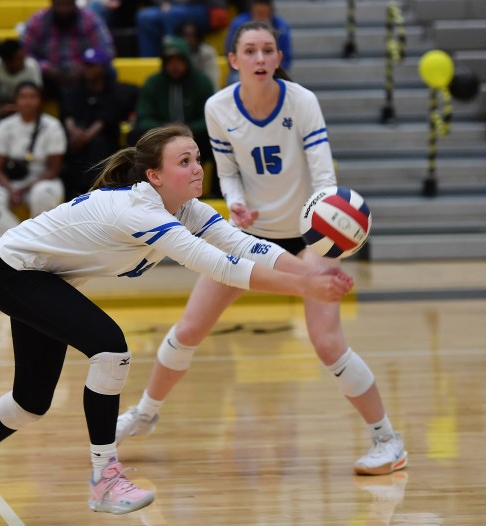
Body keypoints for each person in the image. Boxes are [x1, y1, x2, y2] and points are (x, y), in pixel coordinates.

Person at [0, 122, 354, 520]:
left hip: (41, 275)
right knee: (110, 348)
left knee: (31, 402)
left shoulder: (186, 208)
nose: (196, 168)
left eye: (196, 158)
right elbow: (221, 267)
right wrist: (305, 289)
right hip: (12, 271)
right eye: (183, 162)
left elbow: (244, 245)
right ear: (154, 175)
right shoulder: (140, 211)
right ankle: (104, 479)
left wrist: (313, 273)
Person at [116, 21, 408, 477]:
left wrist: (324, 230)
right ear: (233, 60)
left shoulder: (302, 101)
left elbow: (324, 175)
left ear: (277, 59)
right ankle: (145, 414)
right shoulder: (217, 107)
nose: (258, 58)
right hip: (248, 236)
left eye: (267, 50)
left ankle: (387, 439)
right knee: (189, 329)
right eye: (248, 51)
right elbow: (228, 170)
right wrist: (234, 202)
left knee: (328, 342)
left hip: (310, 235)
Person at [0, 81, 66, 247]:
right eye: (23, 97)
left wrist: (24, 189)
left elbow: (54, 169)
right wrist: (11, 189)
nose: (27, 102)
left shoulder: (52, 126)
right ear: (15, 101)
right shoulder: (4, 126)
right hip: (11, 180)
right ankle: (8, 249)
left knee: (43, 194)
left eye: (32, 97)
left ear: (40, 101)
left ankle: (41, 248)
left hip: (42, 178)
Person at [128, 36, 216, 192]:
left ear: (187, 61)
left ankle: (218, 193)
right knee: (135, 135)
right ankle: (138, 190)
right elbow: (143, 116)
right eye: (170, 61)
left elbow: (210, 118)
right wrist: (166, 129)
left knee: (218, 140)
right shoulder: (153, 82)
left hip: (194, 136)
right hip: (160, 137)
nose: (174, 66)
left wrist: (186, 128)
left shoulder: (201, 82)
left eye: (178, 61)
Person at [60, 46, 138, 200]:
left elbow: (106, 119)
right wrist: (74, 132)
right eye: (87, 66)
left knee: (97, 144)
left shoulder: (113, 92)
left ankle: (97, 193)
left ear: (102, 68)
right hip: (76, 137)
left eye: (93, 66)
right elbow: (67, 114)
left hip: (103, 139)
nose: (89, 70)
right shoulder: (74, 90)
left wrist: (87, 136)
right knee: (67, 147)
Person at [21, 0, 116, 100]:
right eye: (60, 4)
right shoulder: (38, 21)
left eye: (68, 4)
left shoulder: (90, 19)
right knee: (27, 71)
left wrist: (84, 67)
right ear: (52, 3)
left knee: (108, 70)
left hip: (83, 75)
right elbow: (24, 53)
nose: (64, 10)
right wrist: (47, 68)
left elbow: (107, 50)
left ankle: (101, 108)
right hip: (48, 77)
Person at [224, 0, 291, 85]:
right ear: (252, 11)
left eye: (268, 50)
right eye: (250, 51)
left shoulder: (281, 26)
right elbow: (230, 50)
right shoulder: (238, 24)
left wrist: (274, 69)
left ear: (270, 11)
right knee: (235, 78)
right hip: (241, 70)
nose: (261, 18)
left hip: (274, 69)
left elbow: (286, 56)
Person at [0, 39, 43, 118]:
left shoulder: (32, 66)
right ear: (7, 61)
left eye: (23, 57)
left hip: (24, 107)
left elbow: (37, 94)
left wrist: (18, 107)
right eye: (19, 59)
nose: (24, 61)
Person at [135, 0, 209, 58]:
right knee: (144, 17)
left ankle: (170, 54)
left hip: (198, 6)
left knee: (170, 14)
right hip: (169, 7)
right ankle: (149, 63)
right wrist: (162, 3)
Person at [176, 19, 221, 92]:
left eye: (192, 36)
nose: (188, 40)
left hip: (202, 93)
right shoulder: (174, 53)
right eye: (185, 36)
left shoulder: (207, 53)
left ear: (198, 37)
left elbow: (212, 82)